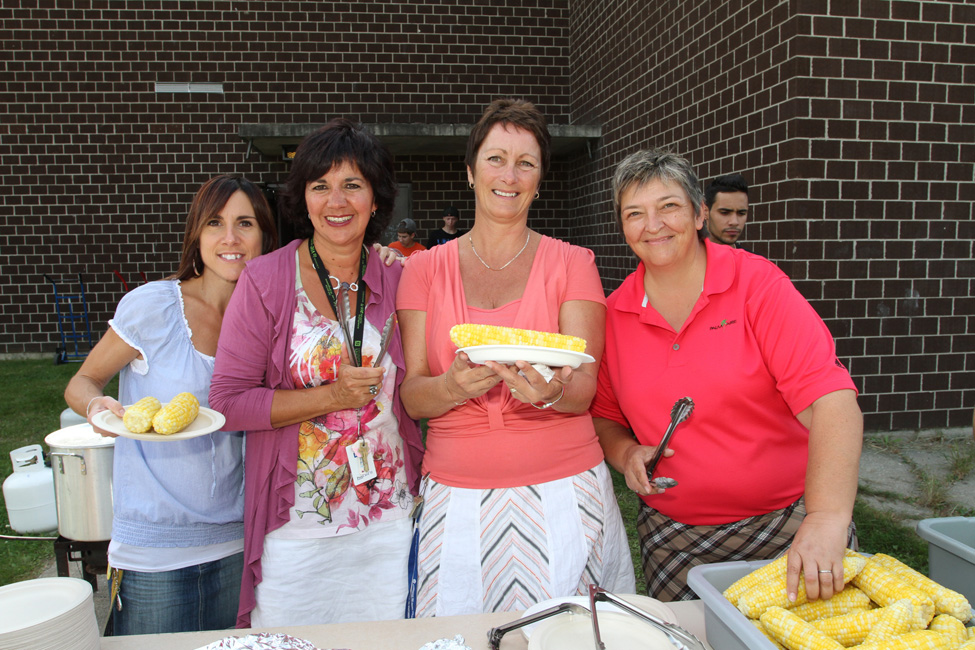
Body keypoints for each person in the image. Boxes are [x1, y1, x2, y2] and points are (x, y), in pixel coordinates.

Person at [396, 98, 635, 618]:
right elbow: (413, 395)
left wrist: (551, 393)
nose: (510, 175)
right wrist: (453, 387)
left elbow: (584, 389)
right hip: (456, 499)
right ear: (470, 171)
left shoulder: (574, 263)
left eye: (526, 162)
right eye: (495, 159)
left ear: (540, 179)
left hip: (564, 494)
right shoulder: (423, 271)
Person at [591, 148, 863, 603]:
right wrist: (626, 453)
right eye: (634, 213)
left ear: (699, 213)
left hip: (788, 525)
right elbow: (603, 418)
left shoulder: (757, 285)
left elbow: (833, 402)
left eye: (668, 206)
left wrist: (827, 518)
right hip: (675, 538)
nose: (652, 225)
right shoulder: (614, 313)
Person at [209, 118, 424, 628]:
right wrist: (331, 397)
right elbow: (228, 402)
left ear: (376, 198)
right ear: (302, 199)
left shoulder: (400, 277)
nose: (337, 201)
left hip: (389, 518)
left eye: (353, 184)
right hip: (299, 527)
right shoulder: (265, 280)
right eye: (320, 186)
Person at [63, 175, 279, 635]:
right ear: (196, 235)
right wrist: (97, 406)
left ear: (264, 236)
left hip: (237, 544)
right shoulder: (154, 307)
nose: (230, 239)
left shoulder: (270, 318)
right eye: (215, 224)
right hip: (154, 552)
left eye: (246, 223)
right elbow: (83, 379)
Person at [704, 173, 749, 246]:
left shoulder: (752, 257)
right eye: (724, 213)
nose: (734, 222)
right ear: (705, 212)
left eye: (741, 213)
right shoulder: (685, 256)